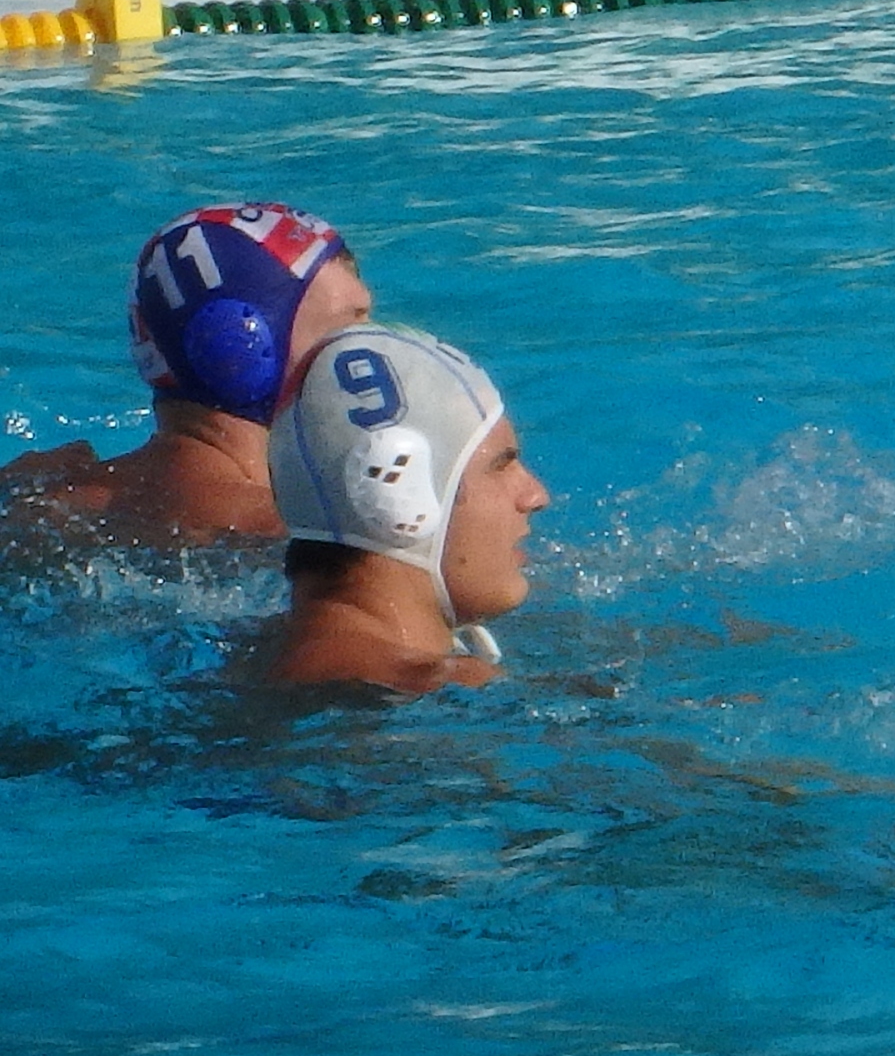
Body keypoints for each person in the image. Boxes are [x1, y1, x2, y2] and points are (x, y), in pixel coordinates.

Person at [1, 203, 374, 543]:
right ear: (240, 349)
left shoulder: (38, 501)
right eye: (351, 326)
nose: (378, 350)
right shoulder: (308, 536)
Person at [263, 324, 549, 695]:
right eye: (501, 464)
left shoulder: (253, 654)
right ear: (401, 486)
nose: (536, 496)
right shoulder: (449, 688)